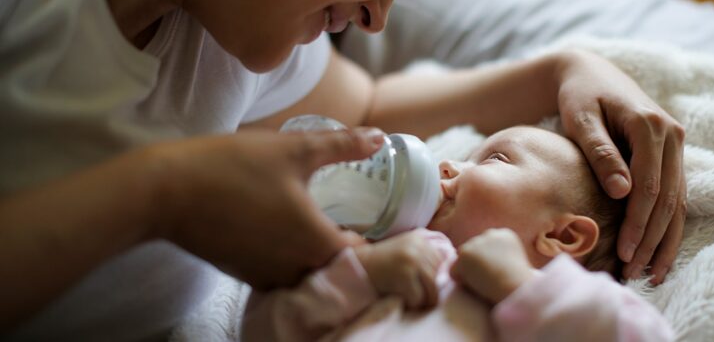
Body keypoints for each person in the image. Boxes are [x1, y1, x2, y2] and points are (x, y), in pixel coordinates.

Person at [0, 0, 685, 339]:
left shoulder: (233, 28)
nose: (379, 14)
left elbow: (363, 112)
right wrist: (164, 194)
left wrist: (560, 70)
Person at [243, 126, 673, 341]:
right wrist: (365, 272)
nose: (448, 165)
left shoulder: (566, 301)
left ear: (562, 237)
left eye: (495, 160)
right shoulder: (381, 254)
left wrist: (516, 286)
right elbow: (264, 329)